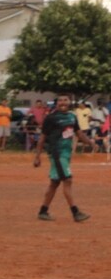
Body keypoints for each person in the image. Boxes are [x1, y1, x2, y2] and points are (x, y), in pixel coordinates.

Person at [34, 93, 93, 222]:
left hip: (66, 154)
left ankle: (43, 211)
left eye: (65, 100)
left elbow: (79, 133)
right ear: (57, 103)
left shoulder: (72, 117)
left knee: (54, 183)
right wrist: (37, 156)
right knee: (68, 180)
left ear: (69, 102)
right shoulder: (51, 118)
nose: (62, 103)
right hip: (57, 153)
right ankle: (76, 212)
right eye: (60, 101)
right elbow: (42, 138)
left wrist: (90, 142)